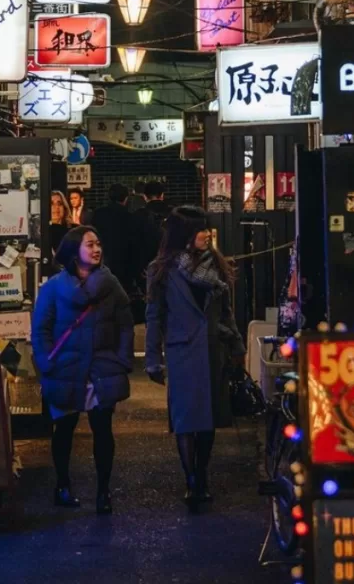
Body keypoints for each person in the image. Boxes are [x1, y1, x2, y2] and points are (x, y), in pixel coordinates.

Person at [145, 206, 245, 511]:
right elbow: (154, 315)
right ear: (185, 235)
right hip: (182, 350)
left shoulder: (216, 265)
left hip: (213, 348)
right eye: (200, 230)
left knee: (209, 419)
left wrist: (238, 345)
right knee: (187, 419)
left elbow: (226, 312)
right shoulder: (162, 269)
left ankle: (201, 473)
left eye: (206, 229)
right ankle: (192, 480)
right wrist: (153, 358)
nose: (206, 234)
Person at [31, 226, 134, 515]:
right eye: (89, 245)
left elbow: (125, 324)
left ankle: (104, 491)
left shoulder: (111, 286)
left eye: (99, 244)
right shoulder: (53, 288)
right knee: (63, 429)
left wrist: (122, 359)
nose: (96, 249)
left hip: (101, 367)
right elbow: (41, 330)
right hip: (65, 368)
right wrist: (47, 362)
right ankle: (62, 485)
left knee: (103, 430)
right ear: (74, 251)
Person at [90, 184, 135, 294]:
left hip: (102, 262)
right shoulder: (130, 217)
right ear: (126, 198)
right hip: (124, 265)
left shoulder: (98, 215)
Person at [48, 190, 72, 261]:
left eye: (60, 204)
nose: (56, 207)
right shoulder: (41, 233)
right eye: (51, 204)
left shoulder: (74, 230)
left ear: (64, 208)